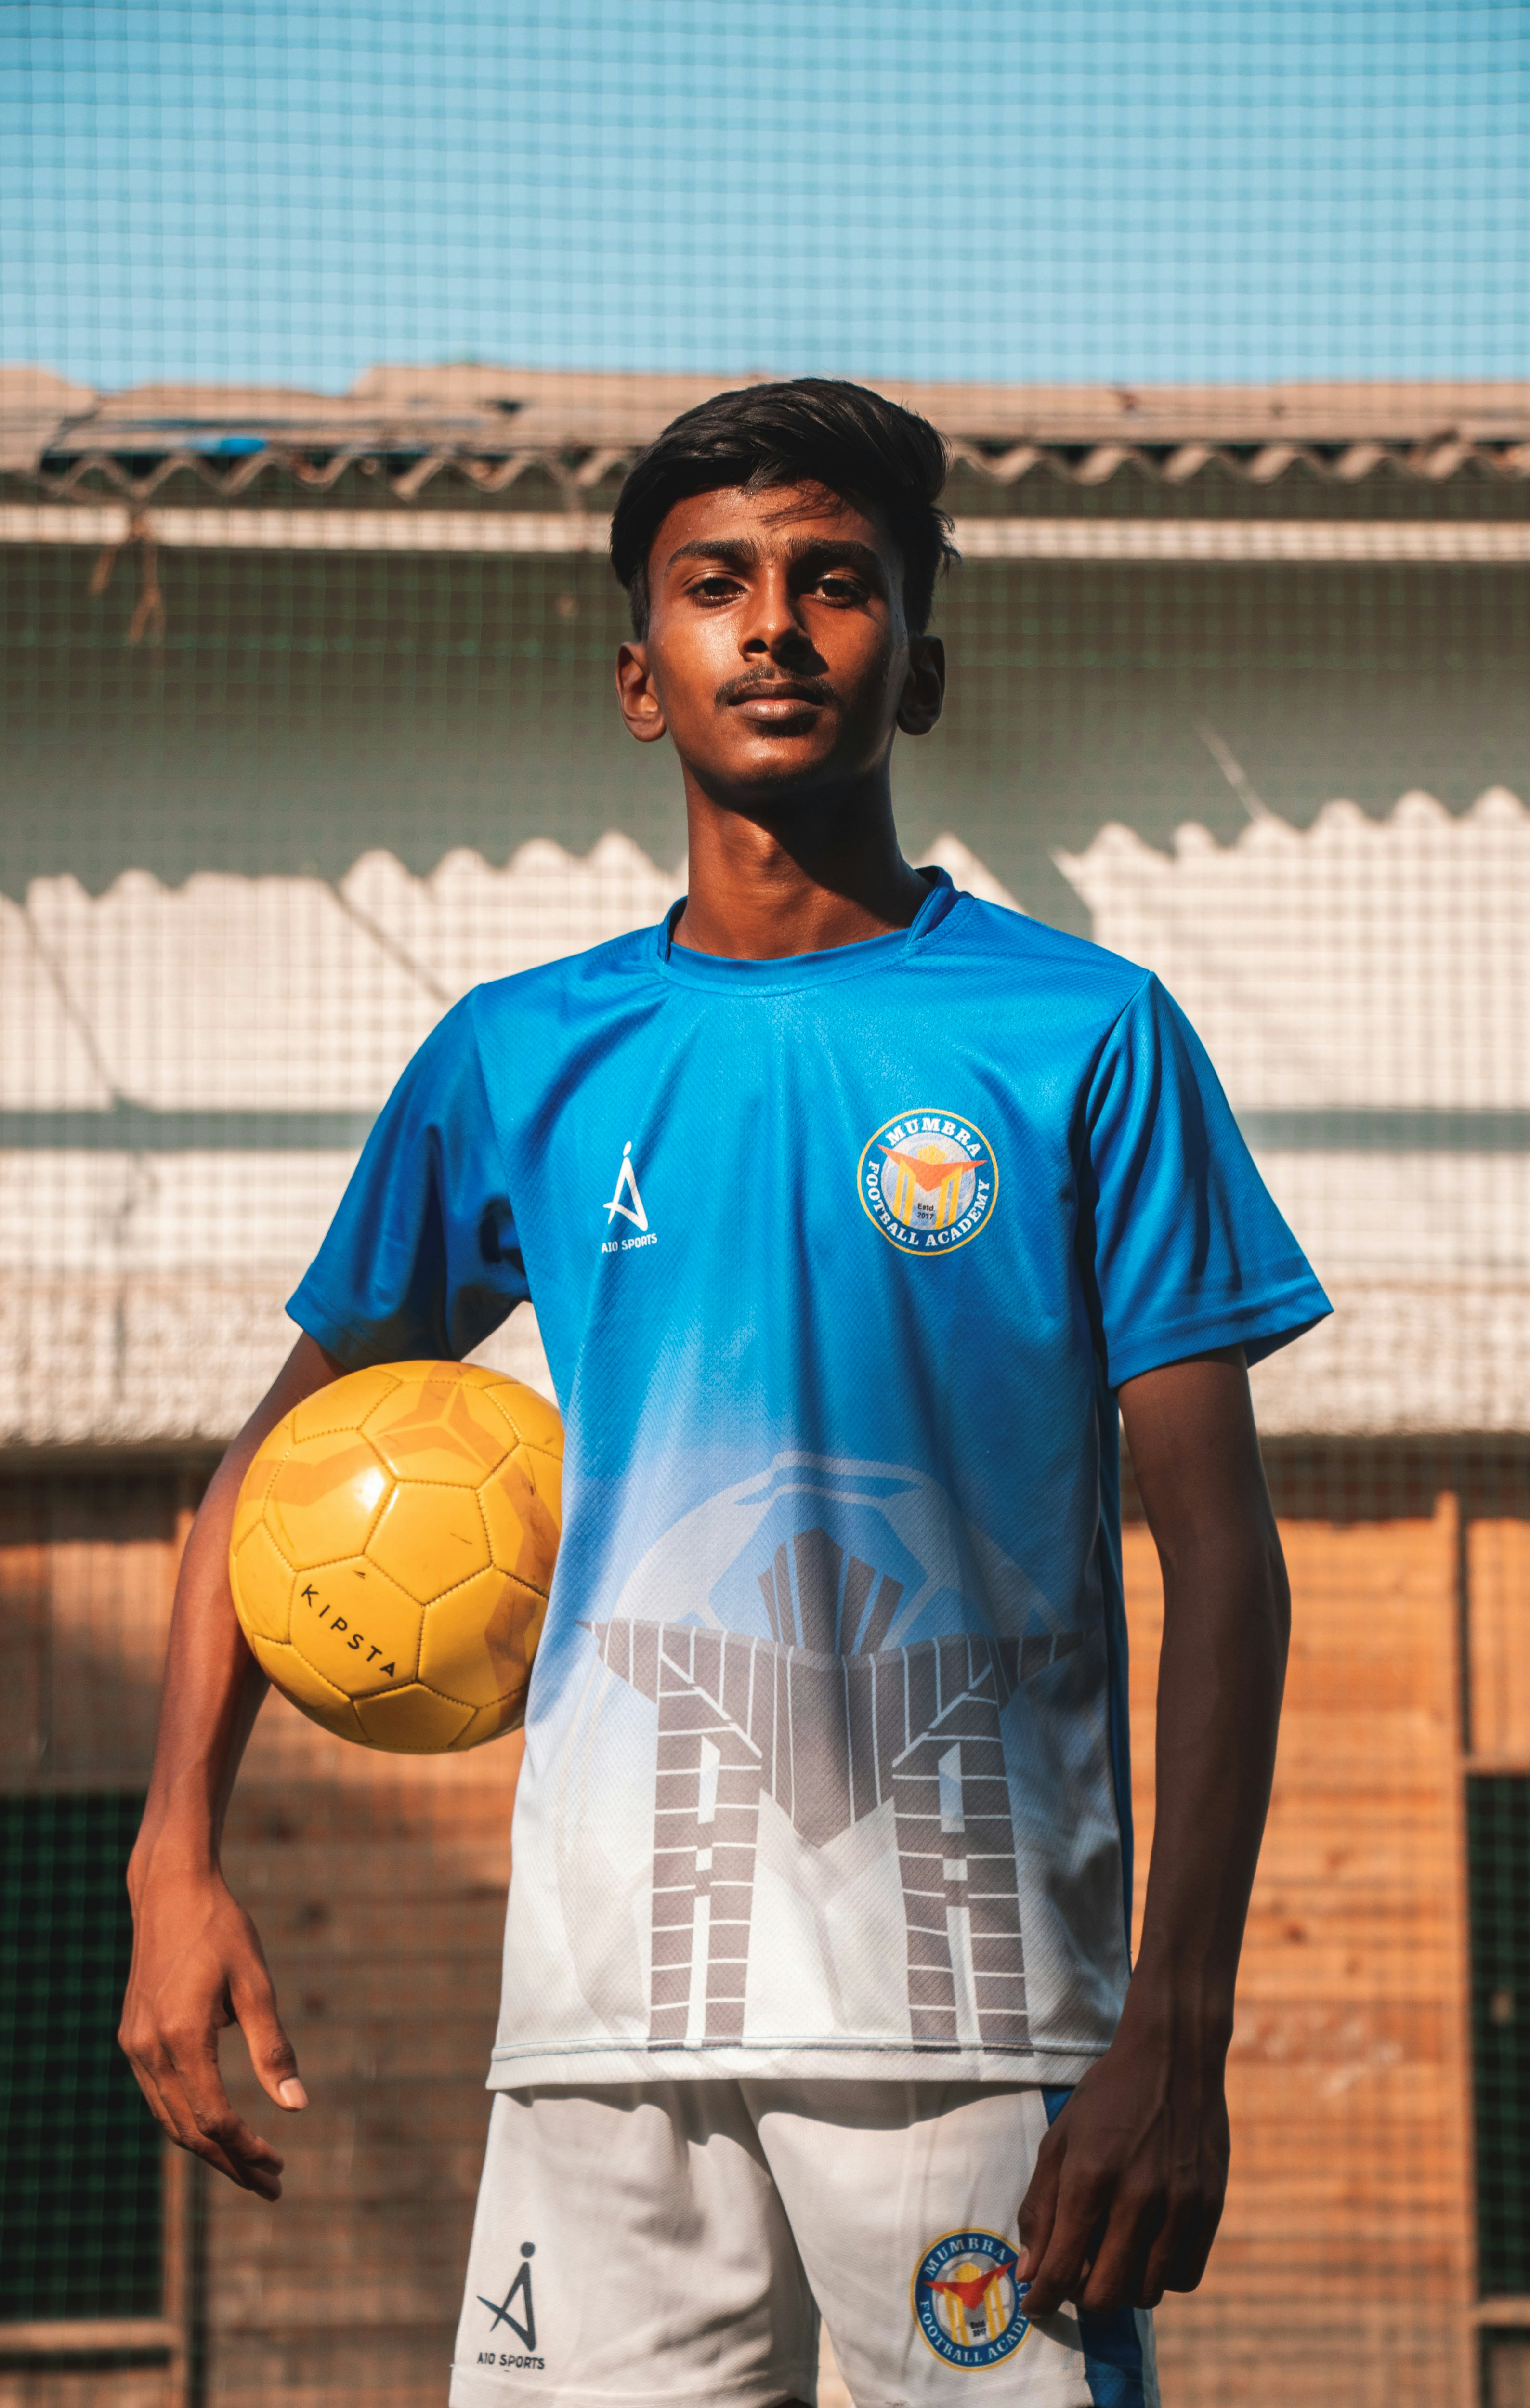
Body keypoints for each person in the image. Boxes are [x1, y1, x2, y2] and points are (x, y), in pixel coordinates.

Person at [121, 379, 1330, 2408]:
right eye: (717, 585)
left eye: (836, 582)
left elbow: (1223, 1551)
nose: (775, 626)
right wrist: (174, 1851)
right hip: (609, 2024)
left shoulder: (1085, 1031)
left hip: (975, 2023)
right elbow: (277, 1456)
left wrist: (1175, 2023)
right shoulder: (520, 1053)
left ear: (918, 665)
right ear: (637, 671)